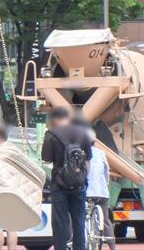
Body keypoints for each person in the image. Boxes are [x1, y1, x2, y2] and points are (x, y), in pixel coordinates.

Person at [41, 107, 93, 250]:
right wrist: (83, 179)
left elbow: (46, 158)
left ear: (55, 119)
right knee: (79, 221)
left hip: (59, 185)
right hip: (79, 185)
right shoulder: (83, 133)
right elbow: (88, 160)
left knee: (60, 223)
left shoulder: (51, 134)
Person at [87, 130, 115, 250]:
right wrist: (106, 183)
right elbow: (106, 171)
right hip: (102, 192)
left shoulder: (81, 153)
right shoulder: (101, 153)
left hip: (87, 192)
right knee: (105, 220)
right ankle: (112, 246)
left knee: (80, 216)